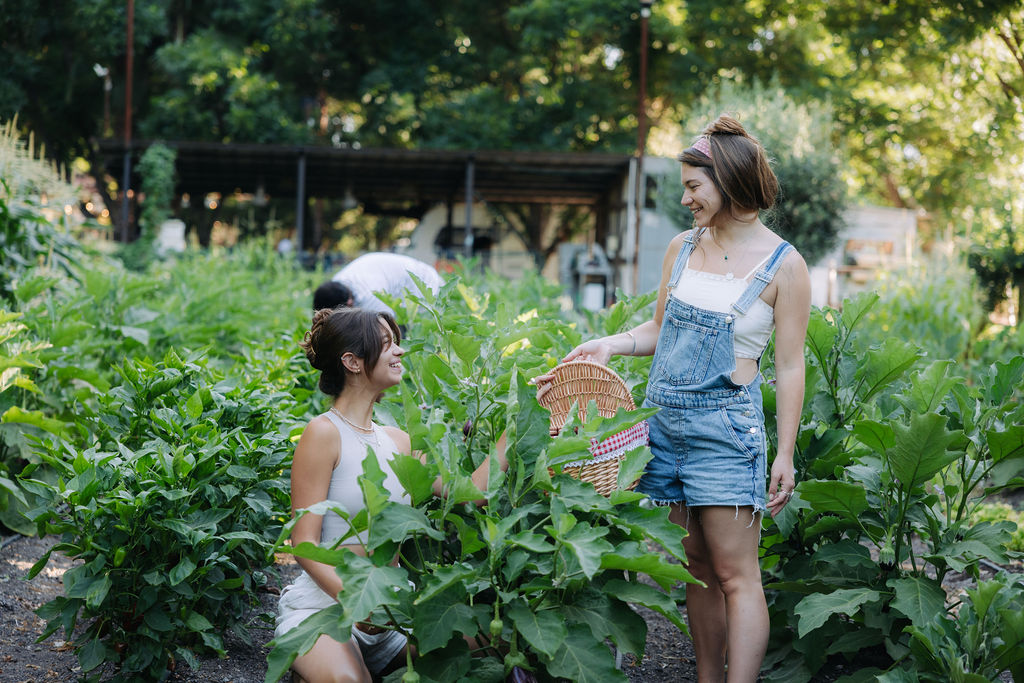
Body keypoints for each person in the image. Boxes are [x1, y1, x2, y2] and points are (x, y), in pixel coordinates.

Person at [541, 114, 810, 682]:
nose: (685, 199)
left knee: (736, 574)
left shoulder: (784, 265)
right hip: (664, 426)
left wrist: (785, 453)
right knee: (697, 566)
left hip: (726, 432)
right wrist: (610, 344)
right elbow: (660, 329)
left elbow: (789, 366)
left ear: (729, 181)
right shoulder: (682, 249)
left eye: (693, 186)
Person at [277, 307, 504, 683]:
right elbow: (303, 544)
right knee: (351, 682)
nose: (399, 351)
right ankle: (327, 664)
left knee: (492, 643)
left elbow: (468, 495)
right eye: (386, 344)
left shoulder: (398, 441)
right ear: (352, 361)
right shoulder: (323, 433)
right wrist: (359, 604)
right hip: (328, 610)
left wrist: (517, 429)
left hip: (390, 616)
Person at [313, 252, 443, 314]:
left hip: (427, 285)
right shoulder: (337, 283)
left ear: (349, 303)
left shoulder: (370, 296)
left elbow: (387, 326)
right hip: (398, 278)